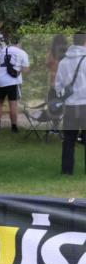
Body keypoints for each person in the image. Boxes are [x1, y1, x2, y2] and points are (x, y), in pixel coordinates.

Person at [55, 31, 86, 175]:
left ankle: (67, 170)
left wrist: (65, 97)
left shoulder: (64, 61)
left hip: (70, 106)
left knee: (68, 140)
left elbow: (58, 86)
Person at [0, 34, 30, 133]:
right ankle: (14, 127)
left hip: (0, 80)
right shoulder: (22, 52)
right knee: (13, 105)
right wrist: (19, 69)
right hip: (13, 82)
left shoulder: (2, 51)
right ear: (19, 43)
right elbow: (26, 70)